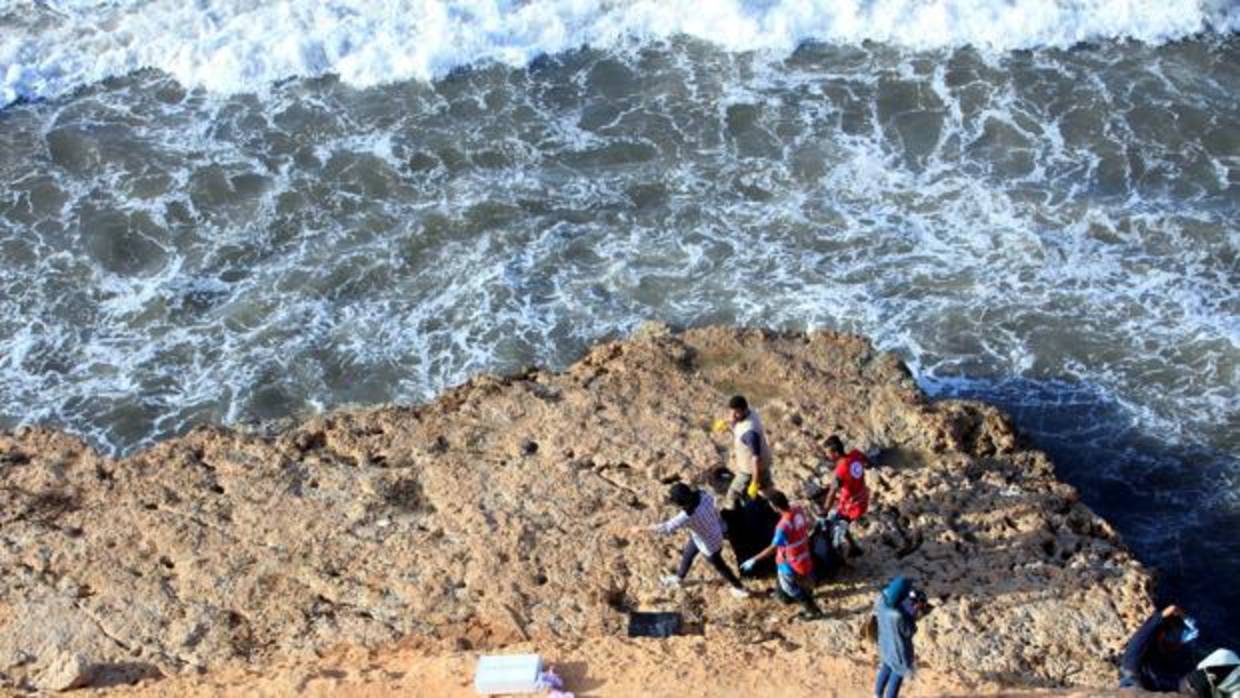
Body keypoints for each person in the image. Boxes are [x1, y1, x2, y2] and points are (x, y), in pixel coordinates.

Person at [632, 483, 750, 599]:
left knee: (722, 567)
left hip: (710, 545)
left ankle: (740, 588)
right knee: (688, 553)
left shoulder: (687, 516)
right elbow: (714, 503)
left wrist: (641, 529)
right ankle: (679, 577)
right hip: (712, 531)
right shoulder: (704, 494)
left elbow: (666, 528)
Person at [740, 491, 822, 619]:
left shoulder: (783, 527)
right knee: (801, 580)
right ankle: (804, 594)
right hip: (804, 552)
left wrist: (754, 559)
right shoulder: (797, 510)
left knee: (789, 588)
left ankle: (810, 608)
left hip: (789, 561)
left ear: (775, 507)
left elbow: (773, 548)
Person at [1119, 604, 1200, 692]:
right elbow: (1171, 609)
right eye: (1173, 641)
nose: (1175, 646)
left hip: (1151, 684)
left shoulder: (1159, 660)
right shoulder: (1140, 643)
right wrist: (1184, 617)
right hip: (1131, 684)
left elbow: (1175, 684)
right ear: (1162, 634)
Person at [813, 435, 869, 558]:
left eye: (828, 453)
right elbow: (867, 462)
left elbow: (832, 492)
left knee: (836, 526)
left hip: (852, 506)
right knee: (842, 521)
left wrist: (825, 510)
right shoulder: (856, 454)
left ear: (836, 452)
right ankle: (853, 547)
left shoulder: (841, 470)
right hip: (863, 497)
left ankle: (841, 553)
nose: (827, 455)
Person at [874, 576, 929, 698]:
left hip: (885, 645)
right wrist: (913, 617)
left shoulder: (882, 602)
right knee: (897, 676)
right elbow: (909, 631)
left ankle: (877, 694)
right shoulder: (898, 617)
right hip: (898, 652)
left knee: (886, 666)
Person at [723, 395, 775, 507]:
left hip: (750, 470)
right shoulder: (751, 412)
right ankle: (775, 507)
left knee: (732, 495)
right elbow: (736, 418)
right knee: (768, 494)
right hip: (764, 464)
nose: (733, 416)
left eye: (736, 413)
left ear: (744, 409)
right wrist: (726, 422)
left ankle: (734, 516)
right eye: (731, 412)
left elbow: (756, 459)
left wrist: (754, 482)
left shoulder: (749, 432)